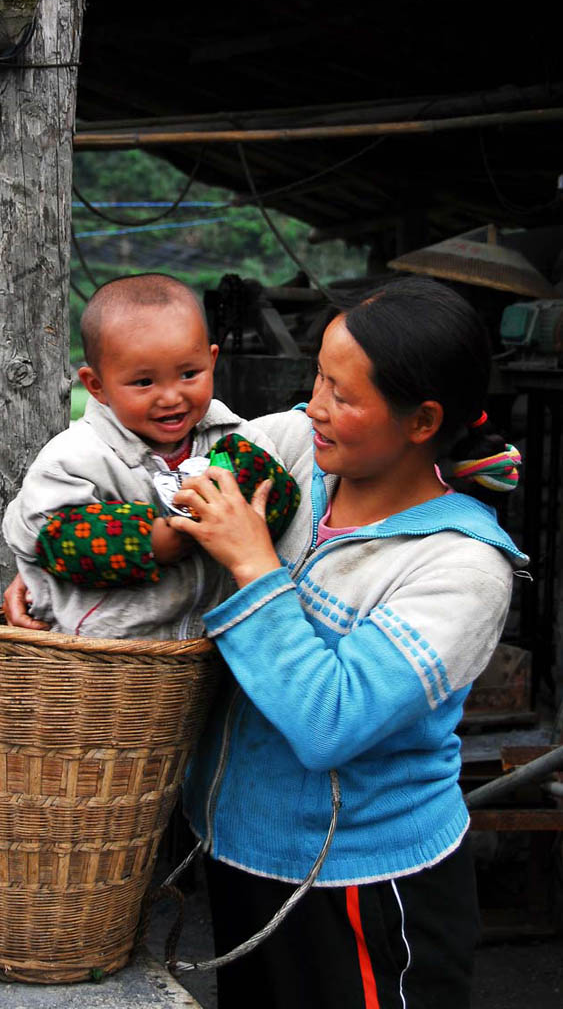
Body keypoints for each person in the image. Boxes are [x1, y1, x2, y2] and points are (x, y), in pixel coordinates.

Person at [159, 276, 526, 1008]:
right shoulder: (294, 448)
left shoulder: (460, 566)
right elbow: (178, 489)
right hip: (243, 855)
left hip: (364, 885)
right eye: (318, 378)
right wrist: (57, 581)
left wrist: (254, 561)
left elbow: (329, 722)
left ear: (421, 421)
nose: (313, 407)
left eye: (342, 396)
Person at [1, 272, 298, 639]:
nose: (171, 397)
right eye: (144, 382)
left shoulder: (236, 437)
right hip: (106, 657)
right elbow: (47, 534)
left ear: (212, 360)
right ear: (97, 386)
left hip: (210, 651)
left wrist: (242, 487)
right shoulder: (76, 456)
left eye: (189, 374)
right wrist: (149, 540)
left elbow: (278, 497)